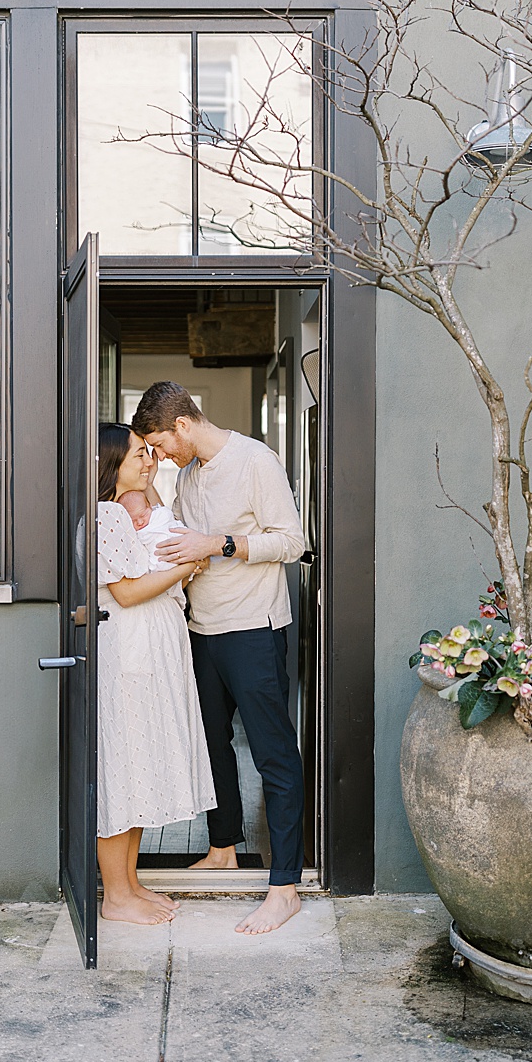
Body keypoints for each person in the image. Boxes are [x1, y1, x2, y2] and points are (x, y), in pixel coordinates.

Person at [132, 382, 308, 936]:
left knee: (272, 755)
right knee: (211, 750)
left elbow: (293, 542)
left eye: (159, 444)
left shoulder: (256, 460)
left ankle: (284, 886)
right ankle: (223, 849)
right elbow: (187, 538)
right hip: (200, 632)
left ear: (182, 425)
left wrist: (219, 545)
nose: (158, 457)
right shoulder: (185, 476)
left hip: (253, 630)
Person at [92, 423, 217, 926]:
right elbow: (126, 591)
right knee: (122, 774)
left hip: (149, 649)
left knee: (138, 769)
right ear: (110, 466)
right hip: (129, 656)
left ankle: (131, 883)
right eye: (138, 456)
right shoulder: (105, 517)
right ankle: (115, 896)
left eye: (150, 453)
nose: (149, 462)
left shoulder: (131, 513)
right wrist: (190, 564)